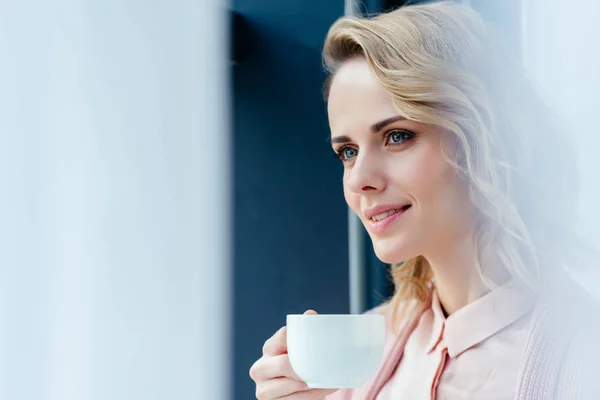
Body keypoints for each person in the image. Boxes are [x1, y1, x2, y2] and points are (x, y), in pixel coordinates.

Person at [249, 2, 600, 399]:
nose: (360, 179)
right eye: (347, 152)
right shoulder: (358, 361)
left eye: (397, 136)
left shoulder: (584, 356)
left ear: (483, 138)